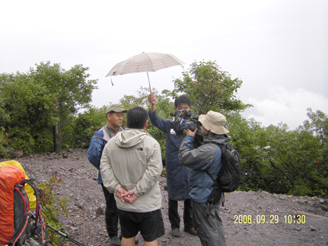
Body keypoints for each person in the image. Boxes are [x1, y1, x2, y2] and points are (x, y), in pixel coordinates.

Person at [100, 106, 165, 246]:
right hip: (148, 204)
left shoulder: (111, 144)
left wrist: (117, 188)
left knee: (127, 236)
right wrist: (136, 192)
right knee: (150, 238)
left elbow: (104, 168)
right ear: (146, 123)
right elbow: (154, 172)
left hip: (124, 203)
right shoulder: (152, 144)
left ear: (127, 121)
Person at [148, 93, 196, 237]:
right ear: (175, 109)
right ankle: (175, 226)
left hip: (189, 166)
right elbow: (155, 119)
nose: (183, 111)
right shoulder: (169, 125)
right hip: (174, 166)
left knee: (190, 196)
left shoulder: (193, 125)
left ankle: (189, 225)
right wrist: (153, 105)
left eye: (185, 108)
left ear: (189, 109)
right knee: (173, 197)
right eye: (180, 108)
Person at [178, 110, 228, 246]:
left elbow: (184, 158)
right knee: (215, 226)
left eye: (203, 125)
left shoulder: (209, 150)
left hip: (204, 197)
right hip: (214, 193)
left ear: (210, 129)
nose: (200, 127)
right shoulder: (221, 143)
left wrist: (188, 138)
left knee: (206, 231)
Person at [87, 104, 127, 246]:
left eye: (122, 115)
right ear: (108, 116)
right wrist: (106, 170)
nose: (121, 117)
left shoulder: (124, 132)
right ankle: (113, 236)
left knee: (126, 205)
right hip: (108, 179)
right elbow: (93, 156)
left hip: (125, 177)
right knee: (112, 206)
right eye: (117, 115)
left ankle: (126, 234)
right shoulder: (100, 135)